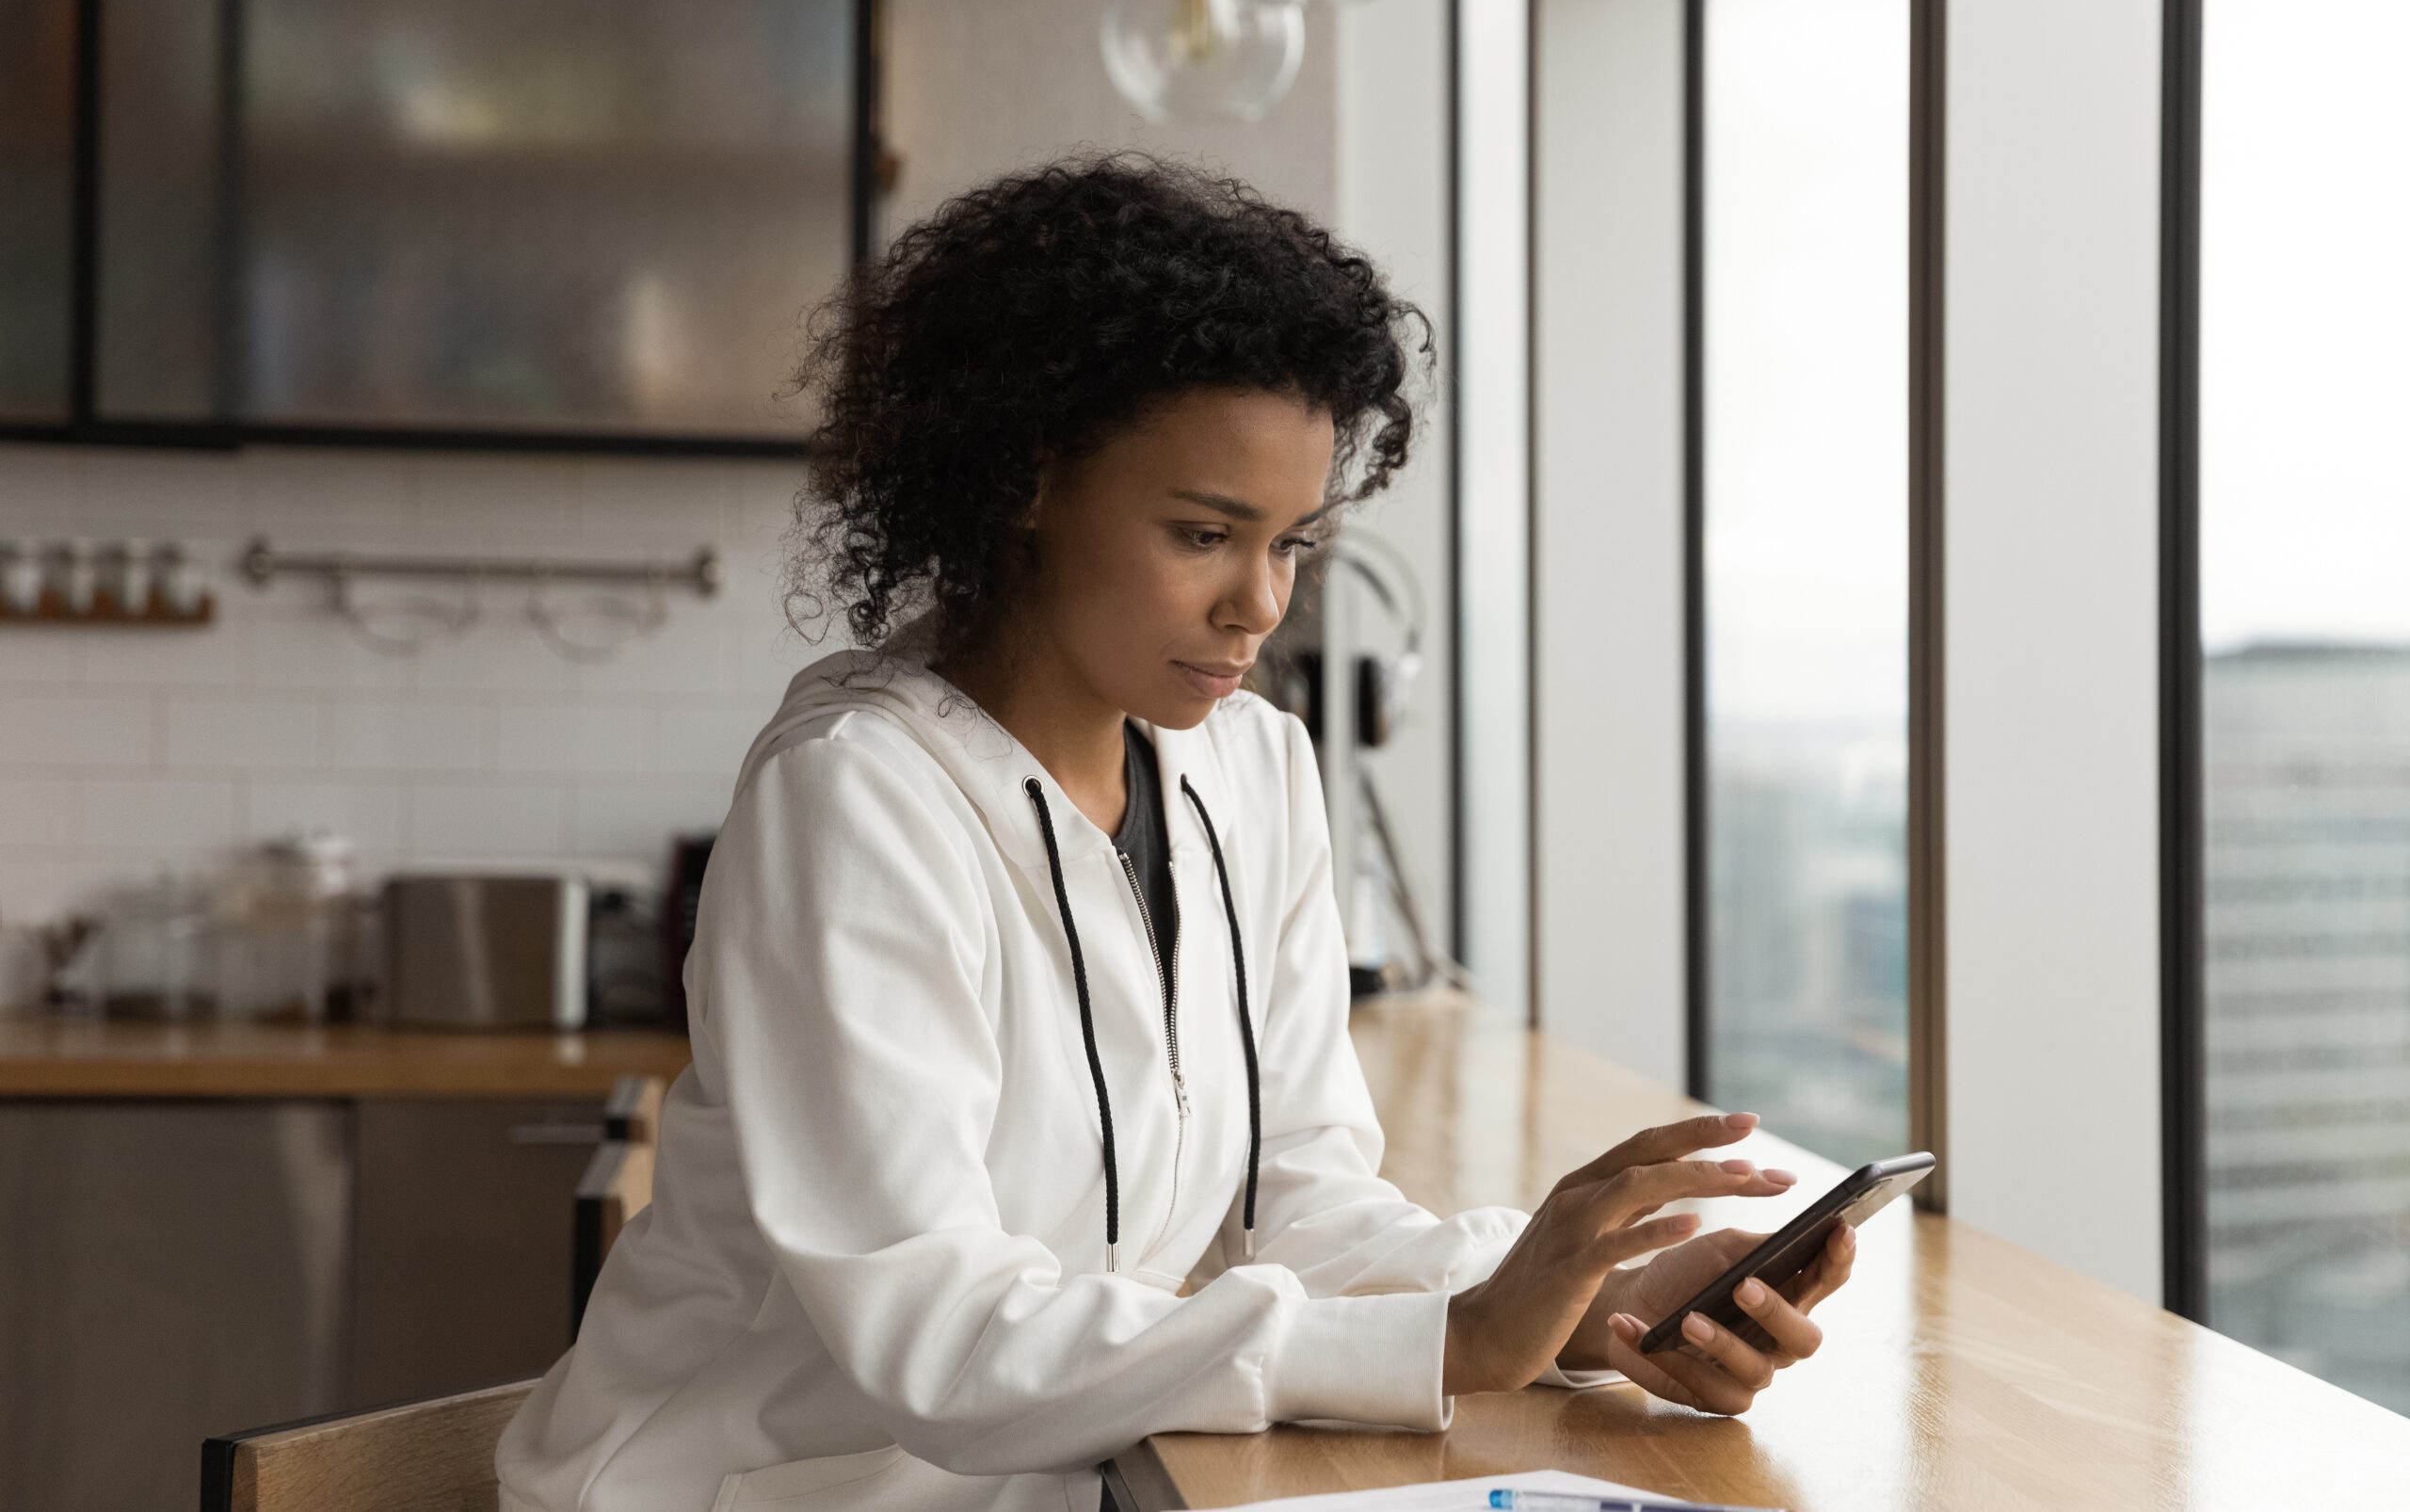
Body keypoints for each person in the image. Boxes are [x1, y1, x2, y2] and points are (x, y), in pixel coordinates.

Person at [495, 156, 1854, 1512]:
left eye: (1292, 543)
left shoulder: (1251, 771)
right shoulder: (855, 802)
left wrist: (1585, 1308)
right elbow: (939, 1331)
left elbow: (1302, 1205)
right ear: (1025, 478)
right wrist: (1454, 1343)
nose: (1257, 605)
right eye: (1206, 534)